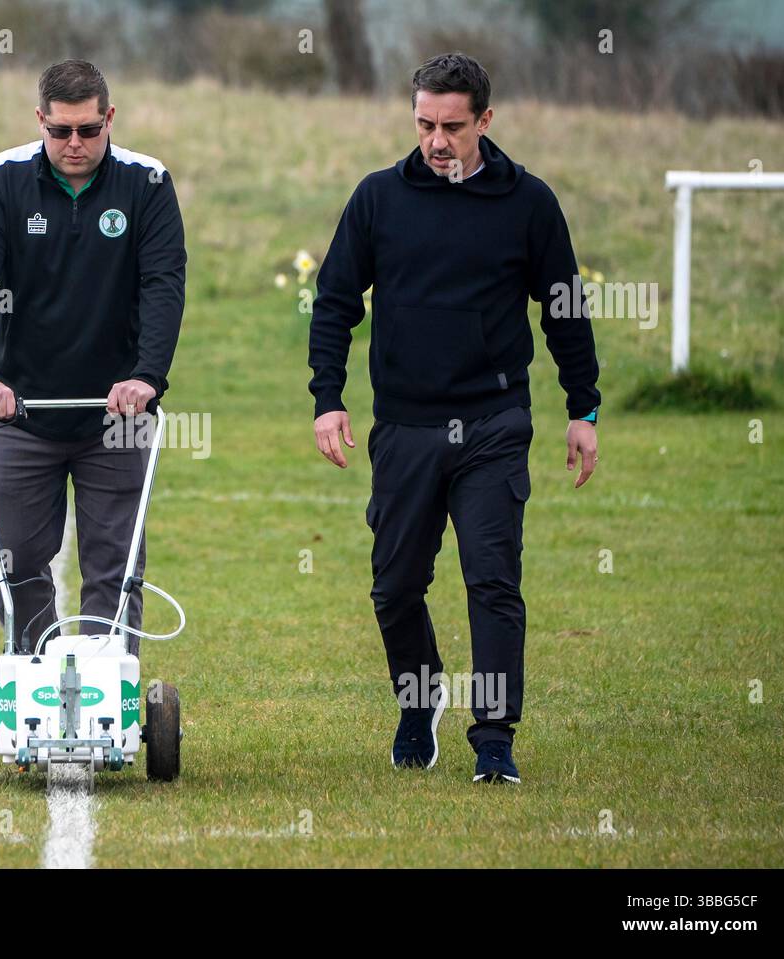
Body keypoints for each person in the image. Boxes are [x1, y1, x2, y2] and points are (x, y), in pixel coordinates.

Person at [307, 52, 601, 784]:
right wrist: (328, 398)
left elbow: (564, 306)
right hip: (404, 426)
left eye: (453, 126)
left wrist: (582, 406)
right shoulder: (378, 198)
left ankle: (494, 738)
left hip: (495, 422)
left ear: (485, 122)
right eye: (425, 124)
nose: (437, 140)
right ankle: (420, 692)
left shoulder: (528, 202)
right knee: (396, 586)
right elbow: (337, 303)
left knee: (492, 579)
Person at [0, 59, 186, 655]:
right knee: (16, 563)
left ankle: (108, 691)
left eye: (88, 130)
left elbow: (163, 283)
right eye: (60, 132)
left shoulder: (148, 183)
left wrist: (146, 376)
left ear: (110, 118)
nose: (75, 143)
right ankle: (32, 681)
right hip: (21, 410)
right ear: (41, 122)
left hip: (115, 413)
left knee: (115, 565)